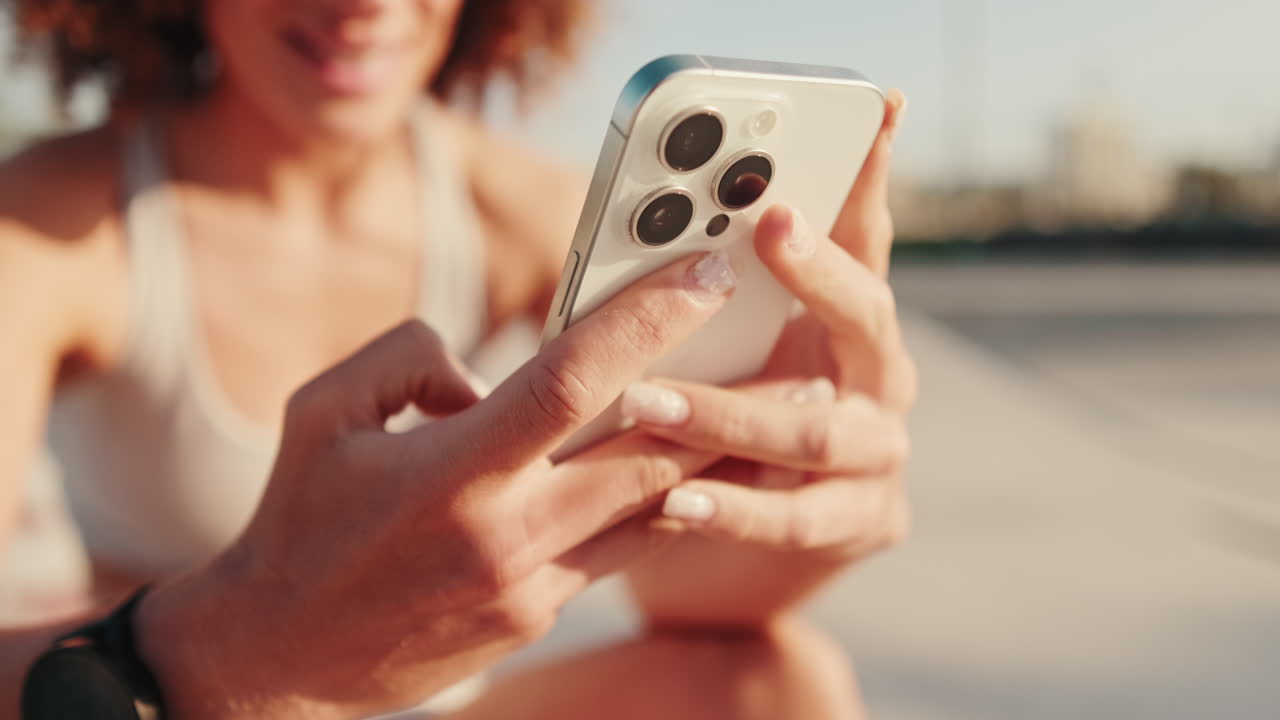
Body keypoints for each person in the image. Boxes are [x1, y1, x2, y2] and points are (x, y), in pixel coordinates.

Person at [0, 0, 915, 717]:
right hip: (153, 706)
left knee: (777, 685)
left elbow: (683, 596)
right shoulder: (52, 222)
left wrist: (802, 500)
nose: (365, 4)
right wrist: (227, 647)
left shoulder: (520, 209)